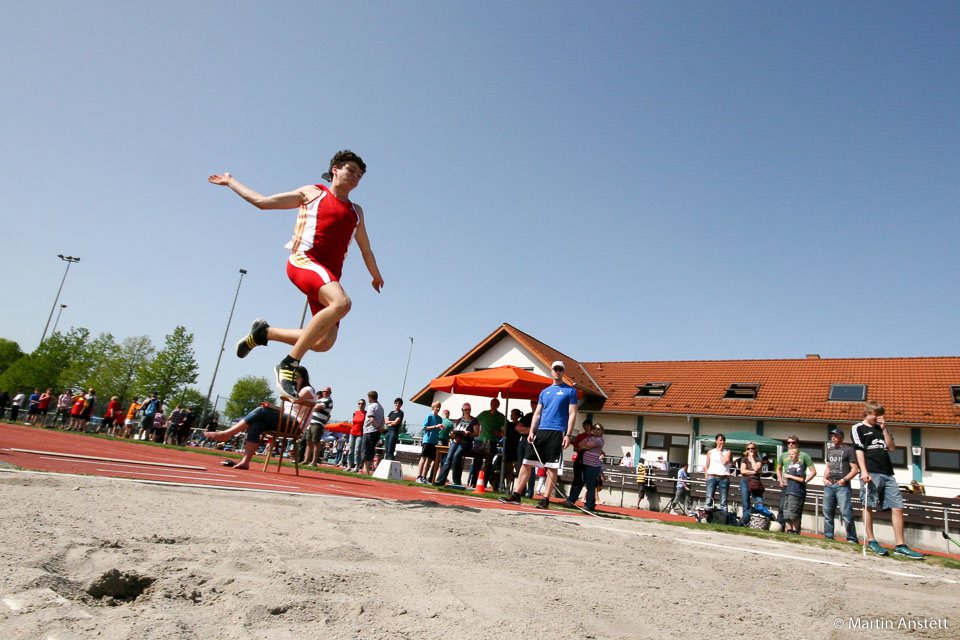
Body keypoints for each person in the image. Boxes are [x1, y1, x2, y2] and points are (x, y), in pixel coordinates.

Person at [209, 150, 384, 400]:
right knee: (342, 303)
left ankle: (263, 333)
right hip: (304, 261)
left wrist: (375, 275)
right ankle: (289, 364)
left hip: (328, 276)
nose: (356, 176)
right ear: (335, 169)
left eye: (360, 175)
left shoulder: (356, 211)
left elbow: (366, 248)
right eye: (351, 170)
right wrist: (230, 182)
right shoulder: (313, 193)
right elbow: (263, 202)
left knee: (324, 342)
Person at [499, 361, 579, 510]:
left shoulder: (570, 391)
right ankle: (516, 494)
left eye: (560, 369)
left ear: (563, 372)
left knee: (552, 466)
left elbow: (572, 413)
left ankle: (545, 499)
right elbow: (537, 413)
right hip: (541, 431)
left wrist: (568, 434)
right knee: (526, 463)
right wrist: (531, 432)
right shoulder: (545, 392)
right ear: (551, 371)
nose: (557, 371)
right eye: (555, 369)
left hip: (557, 431)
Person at [204, 368, 317, 470]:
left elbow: (295, 400)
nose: (293, 380)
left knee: (260, 411)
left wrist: (284, 387)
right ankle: (245, 461)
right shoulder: (292, 391)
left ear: (303, 378)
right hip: (285, 421)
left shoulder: (308, 389)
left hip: (295, 425)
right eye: (291, 378)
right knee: (257, 424)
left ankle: (227, 433)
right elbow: (287, 408)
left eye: (295, 378)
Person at [852, 401, 924, 559]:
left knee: (897, 507)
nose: (877, 417)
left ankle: (900, 545)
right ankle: (871, 540)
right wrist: (863, 471)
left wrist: (884, 429)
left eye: (879, 415)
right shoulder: (858, 428)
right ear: (868, 413)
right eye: (875, 414)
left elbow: (891, 447)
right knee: (868, 505)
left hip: (887, 472)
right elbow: (858, 450)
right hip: (871, 472)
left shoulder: (882, 428)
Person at [822, 428, 860, 543]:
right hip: (830, 484)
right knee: (827, 512)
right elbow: (828, 467)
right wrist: (824, 478)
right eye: (832, 436)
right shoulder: (830, 450)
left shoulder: (848, 450)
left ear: (841, 437)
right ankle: (828, 536)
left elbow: (854, 469)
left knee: (846, 513)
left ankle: (852, 538)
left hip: (842, 485)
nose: (833, 438)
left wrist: (844, 479)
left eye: (836, 436)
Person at [433, 403, 480, 487]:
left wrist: (469, 433)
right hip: (456, 440)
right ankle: (440, 480)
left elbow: (476, 433)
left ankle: (456, 481)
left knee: (456, 456)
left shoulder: (474, 420)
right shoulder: (459, 420)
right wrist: (453, 434)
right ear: (462, 410)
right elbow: (454, 431)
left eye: (468, 409)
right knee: (448, 458)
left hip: (466, 442)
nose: (467, 411)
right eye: (465, 409)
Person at [775, 436, 814, 531]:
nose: (791, 444)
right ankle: (780, 529)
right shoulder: (784, 455)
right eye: (788, 443)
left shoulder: (804, 456)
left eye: (793, 442)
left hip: (797, 487)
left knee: (796, 510)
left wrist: (805, 481)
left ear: (797, 444)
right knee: (783, 508)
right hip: (787, 486)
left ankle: (796, 531)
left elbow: (813, 471)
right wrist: (780, 480)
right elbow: (778, 469)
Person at [564, 423, 605, 511]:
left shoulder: (600, 440)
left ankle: (588, 504)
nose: (596, 430)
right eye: (595, 428)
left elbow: (586, 445)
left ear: (602, 431)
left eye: (598, 429)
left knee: (590, 485)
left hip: (593, 465)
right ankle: (574, 501)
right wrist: (585, 446)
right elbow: (580, 444)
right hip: (584, 463)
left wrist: (585, 446)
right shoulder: (589, 437)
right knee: (580, 482)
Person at [469, 398, 504, 487]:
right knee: (477, 462)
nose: (494, 405)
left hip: (492, 441)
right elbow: (474, 421)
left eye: (496, 404)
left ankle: (483, 484)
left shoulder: (500, 416)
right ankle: (474, 483)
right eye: (493, 404)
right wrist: (477, 430)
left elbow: (505, 427)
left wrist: (500, 433)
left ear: (498, 406)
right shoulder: (484, 414)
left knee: (488, 463)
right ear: (490, 404)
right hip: (481, 440)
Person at [781, 448, 816, 533]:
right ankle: (789, 529)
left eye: (793, 454)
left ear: (797, 455)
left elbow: (801, 479)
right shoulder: (790, 466)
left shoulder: (800, 465)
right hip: (788, 490)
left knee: (794, 512)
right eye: (789, 454)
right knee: (786, 511)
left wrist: (789, 476)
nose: (791, 456)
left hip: (796, 491)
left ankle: (795, 530)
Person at [738, 442, 771, 525]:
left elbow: (756, 468)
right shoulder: (744, 459)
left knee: (759, 502)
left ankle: (755, 522)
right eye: (748, 449)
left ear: (755, 449)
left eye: (752, 448)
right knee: (746, 503)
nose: (750, 450)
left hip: (756, 483)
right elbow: (743, 471)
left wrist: (752, 459)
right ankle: (745, 522)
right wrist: (753, 471)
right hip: (745, 482)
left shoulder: (759, 459)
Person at [305, 386, 333, 466]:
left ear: (330, 393)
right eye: (324, 391)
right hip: (311, 422)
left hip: (318, 423)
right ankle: (306, 460)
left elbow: (316, 408)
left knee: (316, 442)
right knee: (308, 441)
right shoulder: (320, 400)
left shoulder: (329, 401)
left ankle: (314, 461)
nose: (325, 393)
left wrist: (311, 406)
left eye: (327, 392)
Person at [703, 433, 733, 510]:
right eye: (720, 440)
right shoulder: (710, 452)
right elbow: (707, 465)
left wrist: (720, 452)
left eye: (723, 440)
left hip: (723, 477)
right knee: (709, 498)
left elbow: (725, 462)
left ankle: (723, 516)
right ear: (716, 441)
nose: (722, 442)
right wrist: (706, 477)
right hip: (712, 476)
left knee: (723, 499)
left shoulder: (727, 451)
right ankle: (706, 515)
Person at [417, 402, 443, 483]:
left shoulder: (440, 418)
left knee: (430, 460)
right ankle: (419, 477)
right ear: (433, 407)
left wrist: (440, 428)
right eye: (437, 407)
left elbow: (438, 429)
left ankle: (424, 477)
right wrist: (435, 426)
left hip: (434, 441)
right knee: (423, 458)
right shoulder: (429, 416)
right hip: (427, 440)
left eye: (439, 407)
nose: (438, 409)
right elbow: (424, 427)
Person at [360, 390, 385, 474]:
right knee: (371, 449)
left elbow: (371, 419)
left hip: (369, 430)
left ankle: (366, 469)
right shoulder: (381, 407)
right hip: (376, 431)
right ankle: (365, 468)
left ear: (370, 398)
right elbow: (383, 420)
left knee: (366, 449)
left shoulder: (371, 406)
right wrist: (380, 428)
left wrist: (378, 427)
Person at [503, 408, 524, 488]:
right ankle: (509, 485)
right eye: (511, 414)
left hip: (515, 446)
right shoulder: (508, 424)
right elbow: (503, 433)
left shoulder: (519, 424)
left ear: (517, 416)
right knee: (508, 468)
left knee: (518, 467)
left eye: (513, 414)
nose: (511, 416)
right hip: (508, 446)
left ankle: (520, 486)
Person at [347, 399, 365, 471]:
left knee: (357, 450)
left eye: (362, 404)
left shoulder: (365, 413)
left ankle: (357, 466)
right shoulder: (355, 412)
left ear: (364, 405)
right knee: (350, 449)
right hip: (352, 432)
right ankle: (349, 465)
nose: (360, 405)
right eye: (359, 403)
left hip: (360, 433)